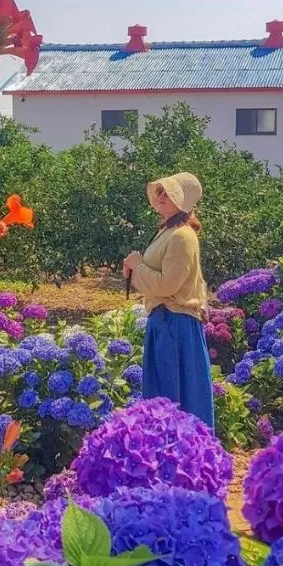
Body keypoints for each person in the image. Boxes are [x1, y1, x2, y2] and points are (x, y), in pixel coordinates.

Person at [123, 172, 214, 429]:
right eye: (160, 192)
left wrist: (137, 265)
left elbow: (167, 285)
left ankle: (188, 459)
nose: (161, 197)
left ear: (182, 201)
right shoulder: (168, 232)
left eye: (169, 193)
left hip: (175, 324)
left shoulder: (181, 236)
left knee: (177, 398)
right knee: (165, 396)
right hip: (165, 322)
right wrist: (135, 267)